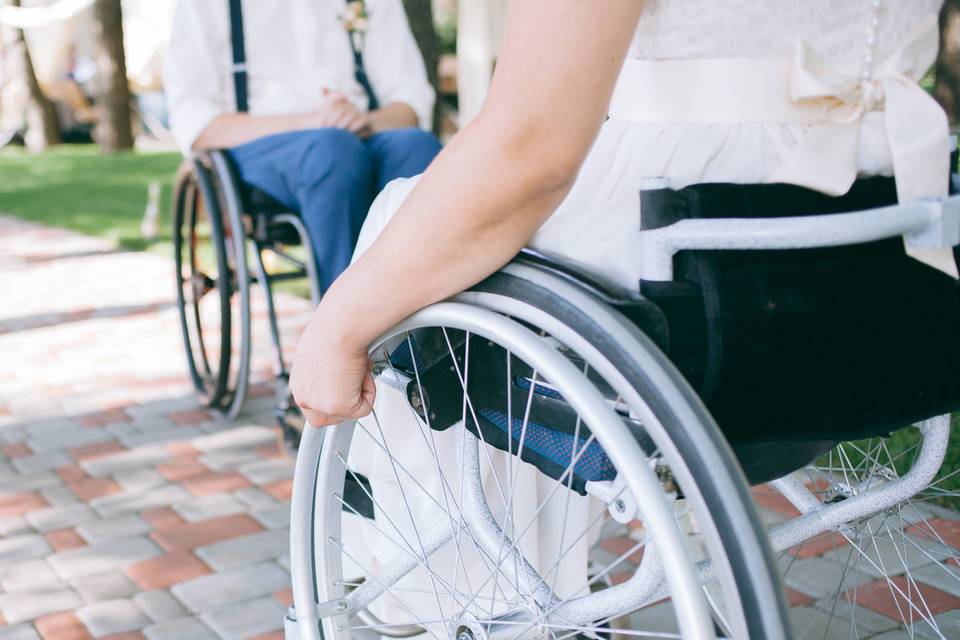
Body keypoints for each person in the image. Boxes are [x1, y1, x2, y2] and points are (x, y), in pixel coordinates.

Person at [290, 0, 951, 622]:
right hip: (880, 215)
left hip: (689, 223)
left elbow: (531, 151)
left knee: (416, 226)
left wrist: (339, 323)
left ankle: (464, 597)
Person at [163, 0, 442, 291]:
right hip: (259, 148)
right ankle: (345, 323)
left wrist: (365, 121)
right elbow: (195, 122)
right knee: (331, 151)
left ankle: (429, 321)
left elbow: (410, 98)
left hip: (360, 132)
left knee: (417, 145)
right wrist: (310, 122)